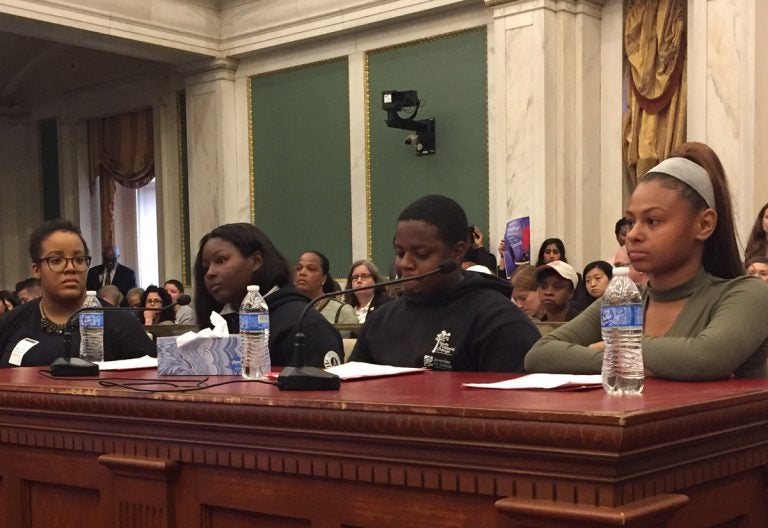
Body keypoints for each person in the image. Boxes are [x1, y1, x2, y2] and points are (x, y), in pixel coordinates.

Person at [526, 142, 768, 380]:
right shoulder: (623, 301)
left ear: (704, 224)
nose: (632, 234)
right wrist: (628, 360)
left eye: (652, 221)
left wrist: (610, 350)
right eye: (631, 221)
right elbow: (540, 354)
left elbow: (706, 358)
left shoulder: (746, 294)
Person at [350, 195, 540, 371]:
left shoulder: (501, 323)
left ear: (457, 253)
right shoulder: (380, 320)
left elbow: (515, 402)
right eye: (399, 253)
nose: (404, 264)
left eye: (421, 254)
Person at [0, 220, 153, 367]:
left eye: (79, 259)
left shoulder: (121, 323)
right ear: (36, 269)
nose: (70, 268)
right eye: (56, 260)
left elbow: (154, 383)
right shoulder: (12, 322)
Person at [194, 223, 343, 367]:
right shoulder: (219, 322)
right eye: (205, 267)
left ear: (256, 261)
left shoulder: (305, 325)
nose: (210, 273)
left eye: (221, 260)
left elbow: (317, 391)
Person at [294, 250, 357, 325]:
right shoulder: (285, 308)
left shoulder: (342, 311)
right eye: (299, 268)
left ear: (324, 278)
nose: (302, 273)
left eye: (311, 269)